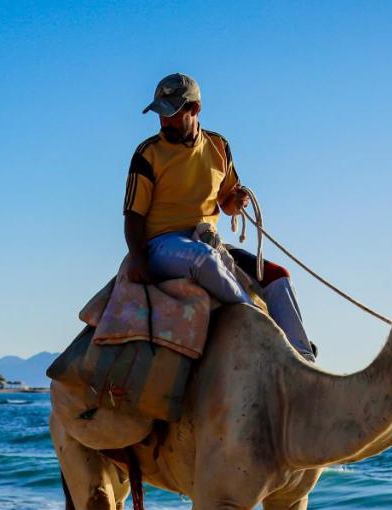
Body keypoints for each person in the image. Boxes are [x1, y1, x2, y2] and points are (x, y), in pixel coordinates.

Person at [123, 73, 314, 361]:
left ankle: (303, 362)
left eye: (172, 114)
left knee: (278, 278)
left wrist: (235, 201)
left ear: (194, 109)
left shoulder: (218, 147)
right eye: (161, 115)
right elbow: (133, 216)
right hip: (162, 245)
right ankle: (261, 332)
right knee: (205, 260)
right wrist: (137, 259)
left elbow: (227, 203)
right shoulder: (148, 154)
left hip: (207, 240)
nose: (164, 122)